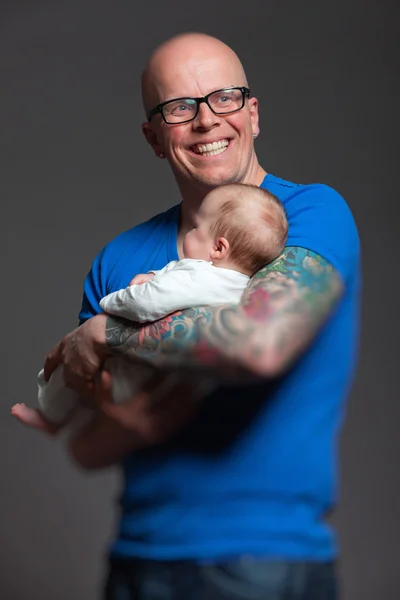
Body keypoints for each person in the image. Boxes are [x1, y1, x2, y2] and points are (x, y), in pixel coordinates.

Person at [42, 32, 360, 600]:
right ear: (155, 138)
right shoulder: (118, 259)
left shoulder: (309, 216)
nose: (207, 120)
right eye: (180, 107)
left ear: (253, 114)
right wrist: (130, 424)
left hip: (263, 562)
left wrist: (108, 331)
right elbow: (86, 447)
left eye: (225, 98)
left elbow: (260, 344)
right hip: (136, 560)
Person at [12, 184, 287, 436]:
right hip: (179, 383)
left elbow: (149, 303)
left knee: (68, 374)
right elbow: (176, 284)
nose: (189, 232)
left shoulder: (200, 273)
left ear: (218, 248)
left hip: (136, 373)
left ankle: (50, 416)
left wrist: (114, 303)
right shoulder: (245, 286)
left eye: (196, 228)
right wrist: (154, 275)